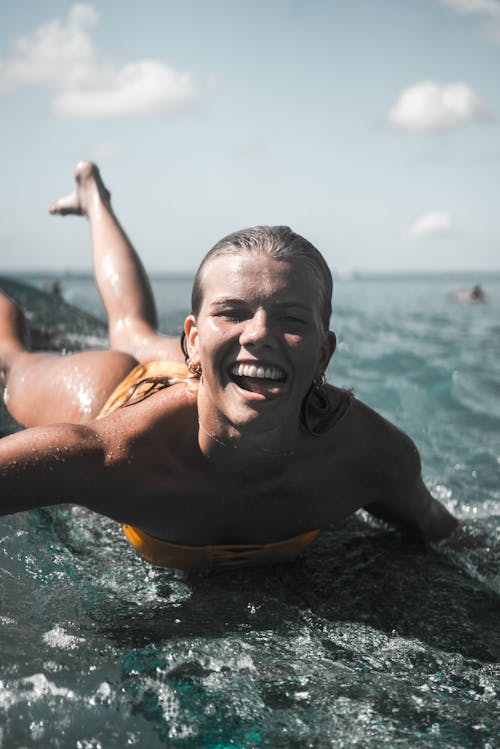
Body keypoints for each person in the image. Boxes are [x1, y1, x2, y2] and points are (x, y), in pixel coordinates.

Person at [0, 162, 457, 571]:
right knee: (32, 357)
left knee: (132, 328)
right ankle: (94, 200)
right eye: (232, 312)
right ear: (193, 340)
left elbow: (443, 529)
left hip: (219, 375)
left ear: (324, 353)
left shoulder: (369, 455)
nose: (260, 333)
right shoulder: (118, 455)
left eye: (292, 320)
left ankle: (95, 200)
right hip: (121, 390)